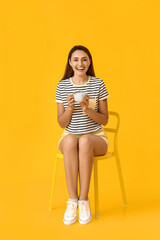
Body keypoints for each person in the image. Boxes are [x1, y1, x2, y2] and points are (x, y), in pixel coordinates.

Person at [55, 45, 110, 225]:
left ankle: (84, 201)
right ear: (70, 63)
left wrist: (87, 110)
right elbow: (62, 123)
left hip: (96, 137)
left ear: (89, 62)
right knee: (71, 140)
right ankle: (72, 201)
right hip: (70, 137)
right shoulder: (62, 86)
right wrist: (70, 108)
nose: (81, 63)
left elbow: (104, 120)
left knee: (85, 140)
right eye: (76, 59)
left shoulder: (98, 83)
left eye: (84, 59)